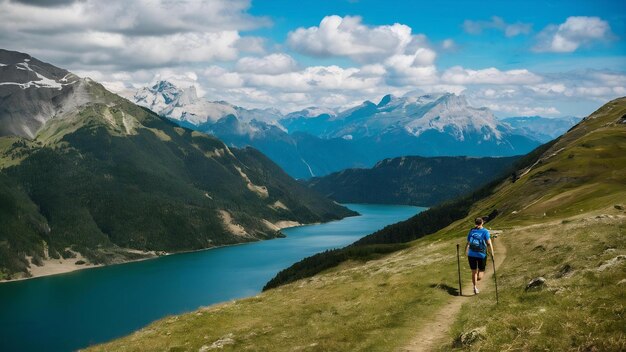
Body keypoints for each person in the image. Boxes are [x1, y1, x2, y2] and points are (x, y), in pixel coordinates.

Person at [465, 217, 494, 294]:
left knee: (473, 271)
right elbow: (488, 243)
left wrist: (466, 251)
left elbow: (468, 242)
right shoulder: (485, 231)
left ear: (475, 222)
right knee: (481, 272)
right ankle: (476, 279)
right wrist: (492, 253)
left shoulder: (471, 231)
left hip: (471, 254)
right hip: (481, 255)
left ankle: (474, 287)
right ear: (482, 222)